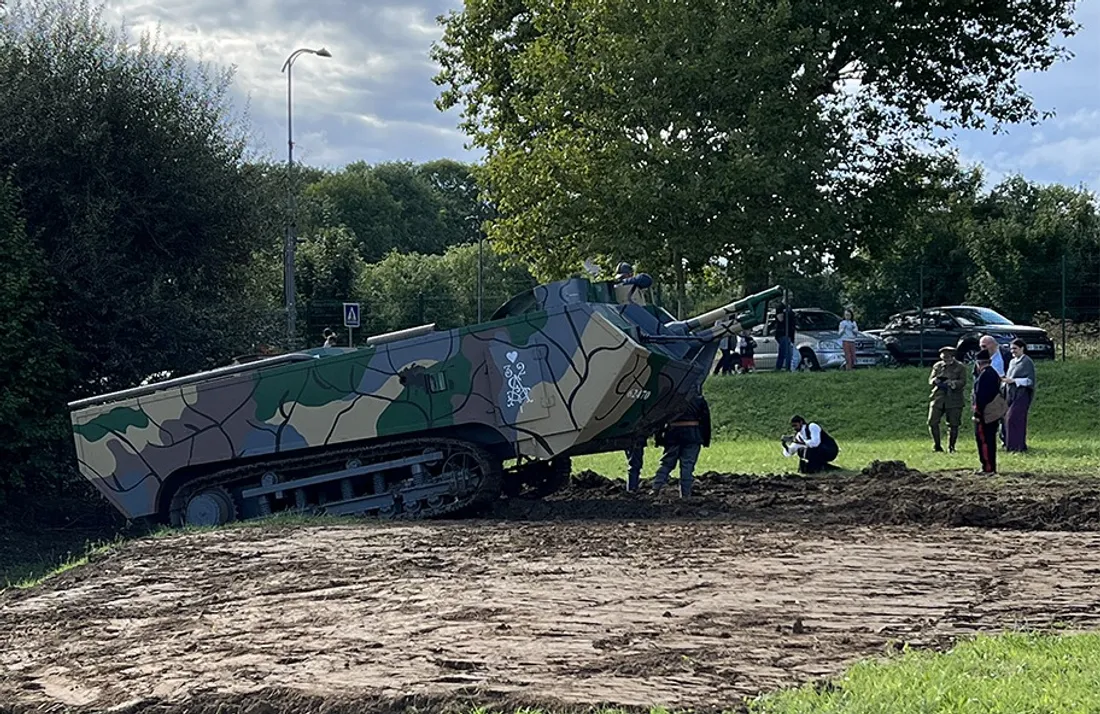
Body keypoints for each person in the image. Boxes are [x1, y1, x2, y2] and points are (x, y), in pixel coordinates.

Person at [651, 391, 711, 498]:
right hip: (692, 435)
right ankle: (685, 494)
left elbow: (659, 418)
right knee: (687, 465)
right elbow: (705, 420)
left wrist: (659, 437)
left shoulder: (669, 399)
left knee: (667, 463)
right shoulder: (698, 399)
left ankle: (656, 487)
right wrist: (705, 439)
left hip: (673, 434)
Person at [927, 345, 967, 453]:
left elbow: (963, 382)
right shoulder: (937, 366)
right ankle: (937, 445)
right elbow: (930, 379)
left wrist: (952, 383)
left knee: (953, 424)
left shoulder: (960, 367)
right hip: (938, 397)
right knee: (932, 421)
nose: (946, 359)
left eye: (948, 357)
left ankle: (951, 446)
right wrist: (935, 380)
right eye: (944, 357)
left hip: (954, 398)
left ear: (952, 357)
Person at [972, 350, 1005, 473]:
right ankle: (990, 465)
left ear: (978, 363)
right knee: (989, 439)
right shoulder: (993, 373)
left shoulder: (984, 375)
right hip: (992, 412)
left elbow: (980, 396)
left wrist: (977, 413)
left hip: (985, 413)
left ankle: (988, 467)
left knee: (984, 440)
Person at [1002, 338, 1036, 452]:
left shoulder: (1027, 362)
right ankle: (1010, 445)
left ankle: (1019, 445)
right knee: (1007, 419)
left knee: (1014, 418)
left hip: (1022, 394)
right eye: (1011, 349)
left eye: (1015, 348)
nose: (1013, 351)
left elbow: (1030, 381)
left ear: (1022, 348)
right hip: (1011, 393)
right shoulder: (1012, 362)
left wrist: (1015, 381)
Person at [774, 303, 796, 371]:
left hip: (790, 333)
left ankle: (778, 368)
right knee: (788, 353)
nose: (791, 298)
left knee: (782, 353)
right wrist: (787, 314)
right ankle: (788, 369)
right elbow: (780, 319)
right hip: (782, 333)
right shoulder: (780, 307)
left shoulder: (789, 307)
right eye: (789, 295)